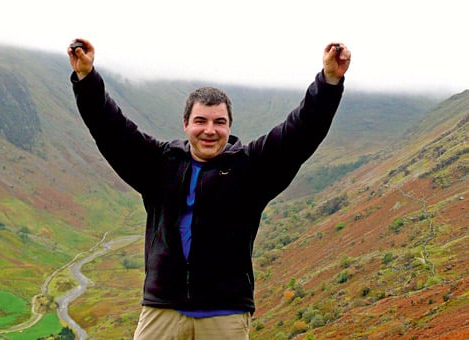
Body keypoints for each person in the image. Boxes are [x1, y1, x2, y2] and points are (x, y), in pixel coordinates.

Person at [68, 38, 351, 339]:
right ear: (186, 124)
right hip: (162, 309)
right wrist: (87, 78)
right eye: (200, 121)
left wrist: (329, 81)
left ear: (229, 127)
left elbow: (300, 132)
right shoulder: (160, 164)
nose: (209, 130)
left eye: (219, 122)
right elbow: (111, 129)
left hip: (225, 313)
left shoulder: (250, 168)